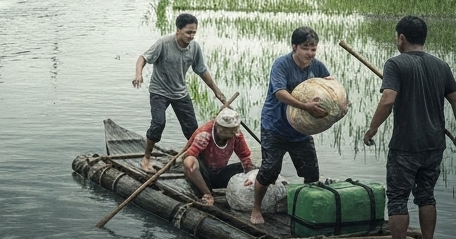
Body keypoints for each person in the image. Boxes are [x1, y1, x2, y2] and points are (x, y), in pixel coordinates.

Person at [363, 15, 456, 239]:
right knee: (426, 196)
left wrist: (372, 128)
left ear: (401, 38)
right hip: (434, 144)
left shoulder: (395, 64)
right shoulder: (441, 65)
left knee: (398, 198)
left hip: (406, 145)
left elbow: (388, 100)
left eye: (396, 37)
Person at [250, 27, 341, 224]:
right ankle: (256, 208)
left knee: (311, 172)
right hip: (275, 127)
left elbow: (330, 88)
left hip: (300, 130)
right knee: (269, 170)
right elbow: (279, 93)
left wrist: (338, 104)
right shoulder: (281, 64)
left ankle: (310, 210)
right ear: (294, 47)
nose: (310, 53)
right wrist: (305, 106)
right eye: (305, 48)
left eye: (313, 49)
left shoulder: (317, 67)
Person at [132, 13, 229, 172]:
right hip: (159, 91)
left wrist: (217, 91)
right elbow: (143, 58)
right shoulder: (164, 43)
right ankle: (146, 158)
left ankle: (197, 159)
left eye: (193, 33)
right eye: (188, 32)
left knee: (193, 130)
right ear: (178, 30)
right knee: (158, 123)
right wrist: (138, 75)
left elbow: (201, 70)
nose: (191, 36)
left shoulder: (194, 47)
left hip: (180, 93)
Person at [182, 107, 255, 206]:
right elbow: (188, 158)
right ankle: (206, 193)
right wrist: (207, 192)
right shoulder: (205, 135)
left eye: (234, 130)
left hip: (219, 173)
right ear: (219, 127)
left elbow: (244, 156)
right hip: (203, 175)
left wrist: (250, 175)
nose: (233, 133)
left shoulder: (236, 135)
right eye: (228, 131)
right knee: (189, 161)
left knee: (249, 169)